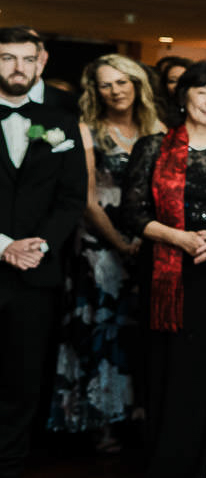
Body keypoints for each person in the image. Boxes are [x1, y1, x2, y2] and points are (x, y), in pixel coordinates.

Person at [124, 63, 206, 478]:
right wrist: (179, 238)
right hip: (169, 275)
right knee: (172, 370)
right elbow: (133, 214)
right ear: (184, 96)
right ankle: (169, 467)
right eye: (203, 92)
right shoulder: (153, 147)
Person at [49, 54, 163, 446]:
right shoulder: (87, 130)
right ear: (95, 91)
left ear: (137, 84)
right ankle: (100, 420)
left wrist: (147, 238)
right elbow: (87, 200)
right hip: (99, 243)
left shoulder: (157, 129)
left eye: (122, 82)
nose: (115, 91)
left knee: (139, 327)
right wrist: (119, 243)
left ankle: (138, 413)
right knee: (101, 327)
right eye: (106, 84)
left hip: (148, 238)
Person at [0, 27, 88, 478]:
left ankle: (7, 475)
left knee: (22, 377)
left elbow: (72, 197)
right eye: (6, 58)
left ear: (41, 62)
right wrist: (3, 246)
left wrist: (38, 245)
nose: (18, 67)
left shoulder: (62, 122)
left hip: (36, 270)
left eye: (26, 59)